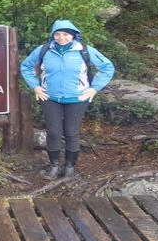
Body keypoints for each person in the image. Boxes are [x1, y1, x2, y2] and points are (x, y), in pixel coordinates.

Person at [20, 19, 115, 180]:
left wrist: (94, 88)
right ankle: (54, 167)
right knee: (53, 132)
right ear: (52, 35)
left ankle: (70, 168)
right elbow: (26, 66)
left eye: (65, 34)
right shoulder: (44, 50)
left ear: (73, 35)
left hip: (77, 98)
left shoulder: (84, 50)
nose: (61, 37)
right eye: (57, 34)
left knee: (71, 132)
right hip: (50, 97)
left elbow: (107, 67)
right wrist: (35, 87)